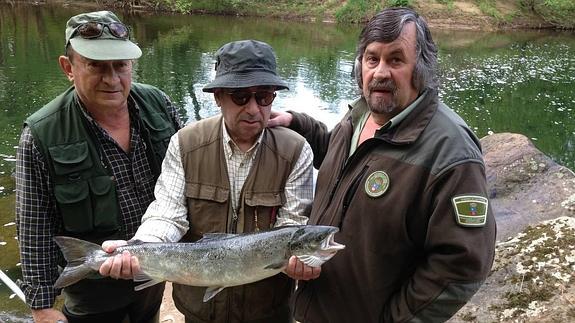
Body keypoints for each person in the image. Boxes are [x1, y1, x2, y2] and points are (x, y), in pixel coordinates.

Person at [271, 7, 497, 322]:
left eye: (395, 60)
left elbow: (463, 265)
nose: (380, 72)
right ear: (359, 65)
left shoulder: (452, 152)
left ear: (420, 69)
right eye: (372, 58)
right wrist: (298, 124)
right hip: (314, 311)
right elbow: (342, 165)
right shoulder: (360, 114)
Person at [99, 39, 315, 323]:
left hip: (268, 312)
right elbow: (168, 215)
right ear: (218, 97)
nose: (253, 108)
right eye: (240, 97)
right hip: (198, 312)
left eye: (263, 96)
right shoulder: (185, 143)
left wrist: (301, 262)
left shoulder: (296, 151)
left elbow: (292, 228)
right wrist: (138, 246)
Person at [15, 11, 182, 323]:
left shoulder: (160, 104)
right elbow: (34, 227)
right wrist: (42, 306)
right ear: (68, 68)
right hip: (93, 294)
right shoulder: (40, 135)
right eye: (96, 66)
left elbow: (188, 180)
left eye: (120, 65)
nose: (112, 79)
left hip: (155, 272)